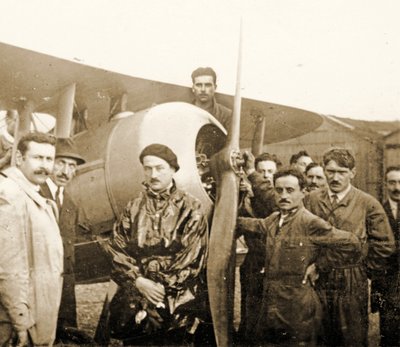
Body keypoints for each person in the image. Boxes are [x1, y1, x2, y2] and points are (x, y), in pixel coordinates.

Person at [237, 168, 361, 346]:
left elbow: (353, 244)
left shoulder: (310, 222)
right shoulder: (274, 219)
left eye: (290, 190)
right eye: (279, 190)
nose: (283, 196)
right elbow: (252, 225)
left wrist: (320, 265)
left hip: (298, 308)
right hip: (272, 305)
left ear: (303, 193)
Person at [104, 144, 209, 346]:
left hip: (177, 302)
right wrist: (138, 281)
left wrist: (159, 288)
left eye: (160, 168)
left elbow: (192, 257)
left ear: (173, 169)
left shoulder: (191, 207)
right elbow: (116, 249)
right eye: (148, 168)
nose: (153, 174)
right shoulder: (133, 207)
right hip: (136, 299)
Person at [304, 147, 395, 346]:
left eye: (342, 172)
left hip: (351, 281)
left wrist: (362, 269)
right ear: (324, 170)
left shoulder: (367, 203)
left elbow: (385, 245)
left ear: (352, 173)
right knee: (317, 335)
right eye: (331, 171)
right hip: (316, 279)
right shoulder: (311, 200)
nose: (335, 177)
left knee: (350, 337)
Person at [0, 132, 63, 346]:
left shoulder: (33, 194)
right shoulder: (9, 194)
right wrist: (20, 320)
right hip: (19, 321)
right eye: (38, 158)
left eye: (49, 159)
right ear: (19, 158)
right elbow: (8, 265)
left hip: (36, 316)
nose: (45, 166)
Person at [40, 138, 92, 344]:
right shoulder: (35, 194)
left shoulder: (70, 203)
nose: (65, 171)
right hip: (40, 285)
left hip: (65, 288)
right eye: (60, 163)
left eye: (71, 166)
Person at [237, 151, 281, 341]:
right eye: (260, 171)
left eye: (270, 171)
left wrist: (251, 175)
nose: (265, 176)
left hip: (277, 264)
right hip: (253, 263)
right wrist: (240, 198)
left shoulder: (282, 199)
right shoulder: (252, 196)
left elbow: (268, 220)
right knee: (250, 313)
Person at [371, 166, 400, 347]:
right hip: (386, 281)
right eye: (392, 182)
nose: (397, 187)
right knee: (388, 332)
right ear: (385, 184)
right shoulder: (377, 210)